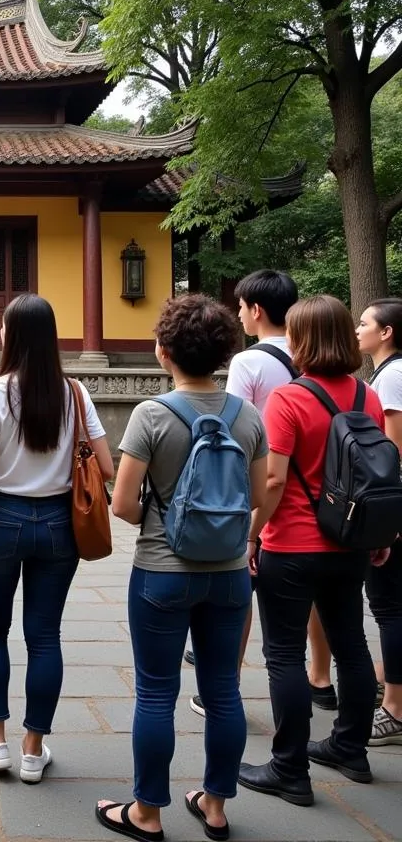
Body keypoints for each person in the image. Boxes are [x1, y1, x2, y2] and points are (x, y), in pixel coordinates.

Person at [98, 294, 267, 842]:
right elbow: (262, 493)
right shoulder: (249, 416)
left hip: (161, 572)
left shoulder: (152, 414)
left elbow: (121, 504)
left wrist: (161, 521)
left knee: (155, 693)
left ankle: (147, 812)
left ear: (162, 350)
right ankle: (215, 805)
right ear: (224, 351)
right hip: (230, 573)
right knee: (223, 690)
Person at [240, 295, 388, 806]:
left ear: (301, 339)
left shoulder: (288, 398)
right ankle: (351, 748)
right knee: (351, 643)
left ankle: (289, 768)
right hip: (348, 544)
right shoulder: (365, 396)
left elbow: (275, 478)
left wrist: (254, 533)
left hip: (294, 545)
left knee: (283, 653)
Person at [0, 293, 113, 784]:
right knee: (45, 635)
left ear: (10, 335)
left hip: (0, 518)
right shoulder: (74, 393)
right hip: (58, 523)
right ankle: (34, 749)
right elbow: (107, 467)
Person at [187, 270, 302, 717]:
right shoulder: (311, 353)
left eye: (240, 306)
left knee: (242, 588)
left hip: (265, 486)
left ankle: (224, 683)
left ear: (255, 309)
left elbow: (231, 427)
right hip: (313, 492)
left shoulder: (249, 362)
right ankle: (322, 678)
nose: (238, 314)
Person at [356, 297, 402, 745]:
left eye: (365, 323)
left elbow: (390, 454)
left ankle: (394, 708)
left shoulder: (391, 379)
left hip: (392, 507)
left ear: (385, 332)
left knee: (389, 606)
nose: (357, 329)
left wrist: (384, 515)